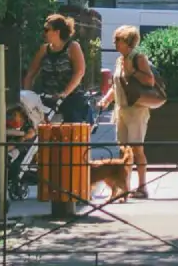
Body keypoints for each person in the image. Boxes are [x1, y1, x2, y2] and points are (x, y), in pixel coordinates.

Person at [97, 25, 154, 199]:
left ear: (128, 42)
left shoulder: (138, 58)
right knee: (123, 150)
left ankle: (143, 187)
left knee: (137, 149)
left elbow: (150, 81)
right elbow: (116, 85)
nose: (114, 43)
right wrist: (106, 100)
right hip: (121, 109)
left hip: (136, 110)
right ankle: (125, 187)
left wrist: (133, 71)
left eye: (118, 40)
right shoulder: (119, 60)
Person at [22, 13, 92, 125]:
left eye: (47, 29)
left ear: (57, 32)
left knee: (71, 133)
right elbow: (31, 73)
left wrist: (64, 93)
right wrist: (27, 96)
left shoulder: (73, 47)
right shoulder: (44, 49)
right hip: (48, 99)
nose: (44, 33)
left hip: (71, 99)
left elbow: (79, 72)